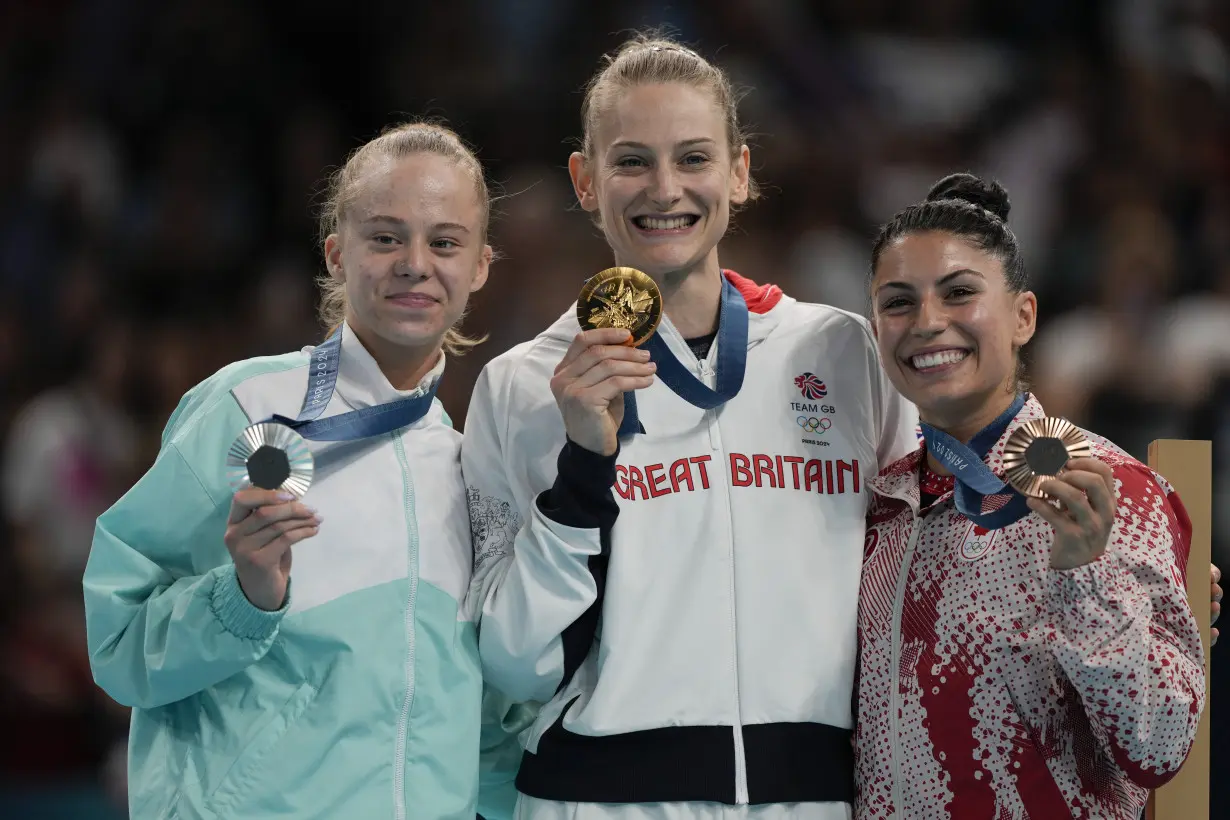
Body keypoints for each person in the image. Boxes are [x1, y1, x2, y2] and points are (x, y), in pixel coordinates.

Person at [462, 34, 917, 819]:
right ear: (585, 179)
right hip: (597, 802)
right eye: (632, 161)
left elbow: (937, 542)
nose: (664, 188)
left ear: (740, 174)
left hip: (811, 799)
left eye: (694, 158)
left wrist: (1128, 552)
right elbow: (514, 665)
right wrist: (581, 473)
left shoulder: (846, 354)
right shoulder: (521, 387)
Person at [83, 121, 527, 820]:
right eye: (385, 237)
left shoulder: (471, 467)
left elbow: (480, 732)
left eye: (445, 241)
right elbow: (117, 643)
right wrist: (243, 601)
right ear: (336, 254)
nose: (415, 262)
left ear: (478, 267)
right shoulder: (245, 407)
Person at [856, 173, 1206, 818]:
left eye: (959, 293)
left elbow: (1157, 745)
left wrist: (1088, 579)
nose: (928, 323)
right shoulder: (883, 507)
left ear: (1024, 317)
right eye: (898, 302)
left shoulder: (1108, 487)